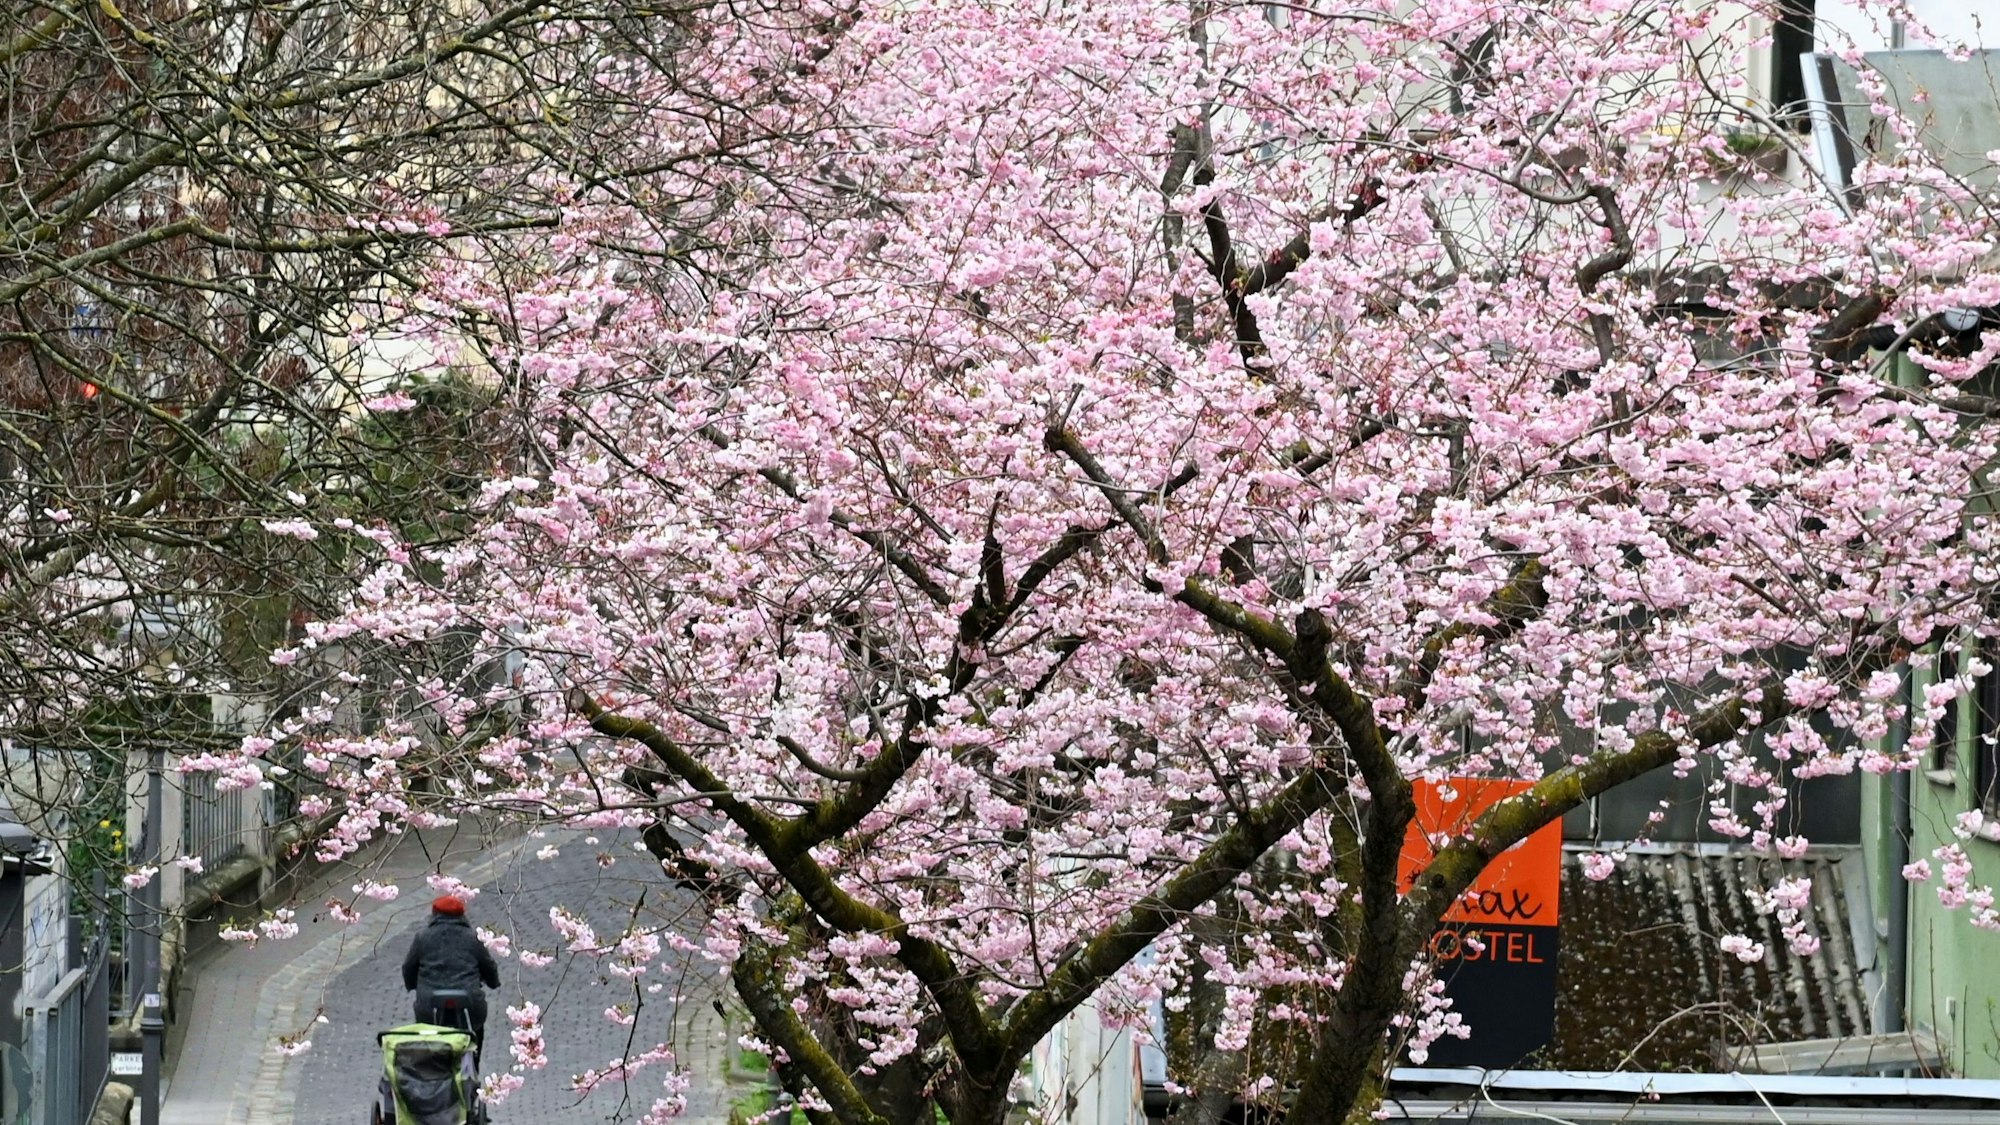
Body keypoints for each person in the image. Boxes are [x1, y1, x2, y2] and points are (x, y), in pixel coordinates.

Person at [402, 895, 501, 1053]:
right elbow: (489, 966)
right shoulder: (472, 938)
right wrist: (493, 982)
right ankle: (473, 1061)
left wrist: (412, 984)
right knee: (475, 1032)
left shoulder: (422, 937)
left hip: (429, 1006)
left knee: (428, 1037)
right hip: (470, 1004)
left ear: (434, 914)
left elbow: (408, 967)